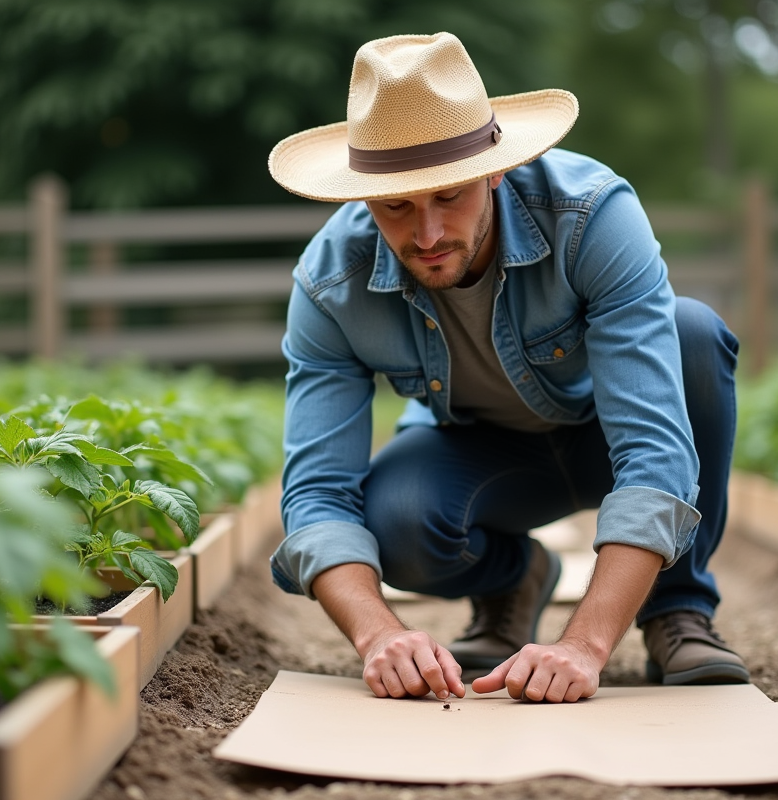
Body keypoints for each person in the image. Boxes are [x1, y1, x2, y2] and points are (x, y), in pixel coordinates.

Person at [266, 32, 749, 704]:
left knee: (691, 334)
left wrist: (583, 644)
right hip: (485, 457)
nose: (427, 235)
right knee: (399, 517)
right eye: (397, 206)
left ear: (496, 169)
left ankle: (676, 609)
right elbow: (317, 494)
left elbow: (654, 451)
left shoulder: (591, 216)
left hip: (605, 436)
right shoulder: (330, 284)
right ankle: (512, 581)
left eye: (450, 196)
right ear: (362, 195)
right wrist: (379, 636)